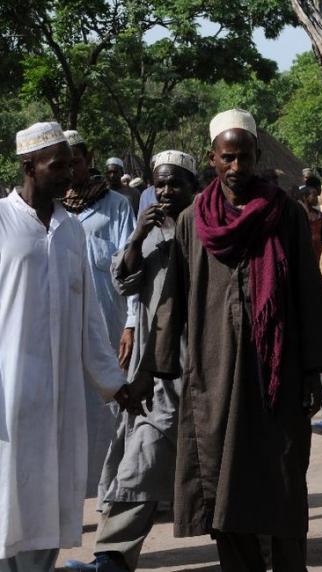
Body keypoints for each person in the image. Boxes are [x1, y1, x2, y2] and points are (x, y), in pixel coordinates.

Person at [150, 109, 322, 571]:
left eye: (246, 157)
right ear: (212, 159)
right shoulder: (192, 220)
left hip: (278, 378)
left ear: (258, 156)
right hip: (212, 378)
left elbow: (308, 294)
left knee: (280, 486)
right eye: (227, 158)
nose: (237, 168)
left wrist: (316, 369)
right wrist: (158, 366)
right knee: (223, 488)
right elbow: (172, 296)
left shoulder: (285, 215)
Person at [0, 122, 137, 571]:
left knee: (50, 496)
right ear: (28, 166)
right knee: (7, 499)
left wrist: (115, 384)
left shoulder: (70, 229)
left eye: (68, 162)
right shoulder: (2, 222)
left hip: (59, 398)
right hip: (10, 396)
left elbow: (90, 322)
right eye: (55, 164)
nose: (67, 172)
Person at [63, 150, 199, 572]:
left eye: (174, 183)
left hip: (193, 363)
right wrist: (138, 236)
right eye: (159, 184)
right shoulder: (154, 232)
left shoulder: (206, 232)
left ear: (194, 187)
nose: (165, 191)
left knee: (202, 460)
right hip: (152, 366)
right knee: (138, 455)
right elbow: (125, 281)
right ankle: (111, 557)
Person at [63, 130, 138, 493]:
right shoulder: (51, 209)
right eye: (63, 162)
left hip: (108, 321)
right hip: (64, 325)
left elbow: (129, 270)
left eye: (75, 160)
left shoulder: (116, 206)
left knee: (109, 405)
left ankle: (113, 489)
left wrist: (132, 323)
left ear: (88, 158)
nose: (70, 169)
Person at [301, 176, 322, 262]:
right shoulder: (300, 214)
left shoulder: (319, 215)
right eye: (314, 196)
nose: (317, 198)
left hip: (319, 250)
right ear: (305, 197)